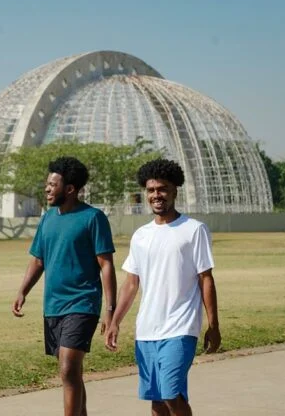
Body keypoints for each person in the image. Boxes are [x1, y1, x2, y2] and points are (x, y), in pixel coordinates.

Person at [105, 158, 220, 416]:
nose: (157, 195)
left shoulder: (194, 230)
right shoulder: (141, 235)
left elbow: (206, 279)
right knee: (157, 402)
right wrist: (114, 321)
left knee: (171, 395)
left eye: (163, 189)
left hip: (180, 328)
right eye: (151, 190)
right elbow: (131, 283)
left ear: (174, 191)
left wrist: (213, 326)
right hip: (147, 331)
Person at [12, 156, 117, 416]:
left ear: (69, 189)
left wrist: (110, 310)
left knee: (68, 367)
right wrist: (22, 291)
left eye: (52, 184)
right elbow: (38, 260)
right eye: (47, 184)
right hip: (53, 306)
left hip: (83, 303)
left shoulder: (93, 218)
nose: (47, 188)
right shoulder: (48, 219)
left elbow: (106, 265)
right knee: (70, 373)